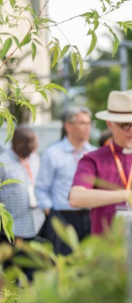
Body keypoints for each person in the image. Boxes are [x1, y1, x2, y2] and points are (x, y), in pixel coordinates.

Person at [69, 90, 132, 235]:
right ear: (110, 125)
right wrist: (126, 195)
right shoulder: (93, 159)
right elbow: (76, 198)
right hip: (107, 249)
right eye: (125, 125)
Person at [35, 107, 96, 254]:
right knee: (63, 264)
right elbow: (41, 189)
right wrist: (52, 214)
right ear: (68, 126)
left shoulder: (94, 153)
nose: (88, 128)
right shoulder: (52, 153)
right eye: (82, 123)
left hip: (89, 217)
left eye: (89, 124)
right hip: (62, 217)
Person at [0, 127, 44, 242]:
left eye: (34, 142)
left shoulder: (35, 158)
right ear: (17, 143)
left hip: (38, 225)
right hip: (13, 231)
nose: (33, 145)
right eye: (30, 142)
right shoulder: (2, 163)